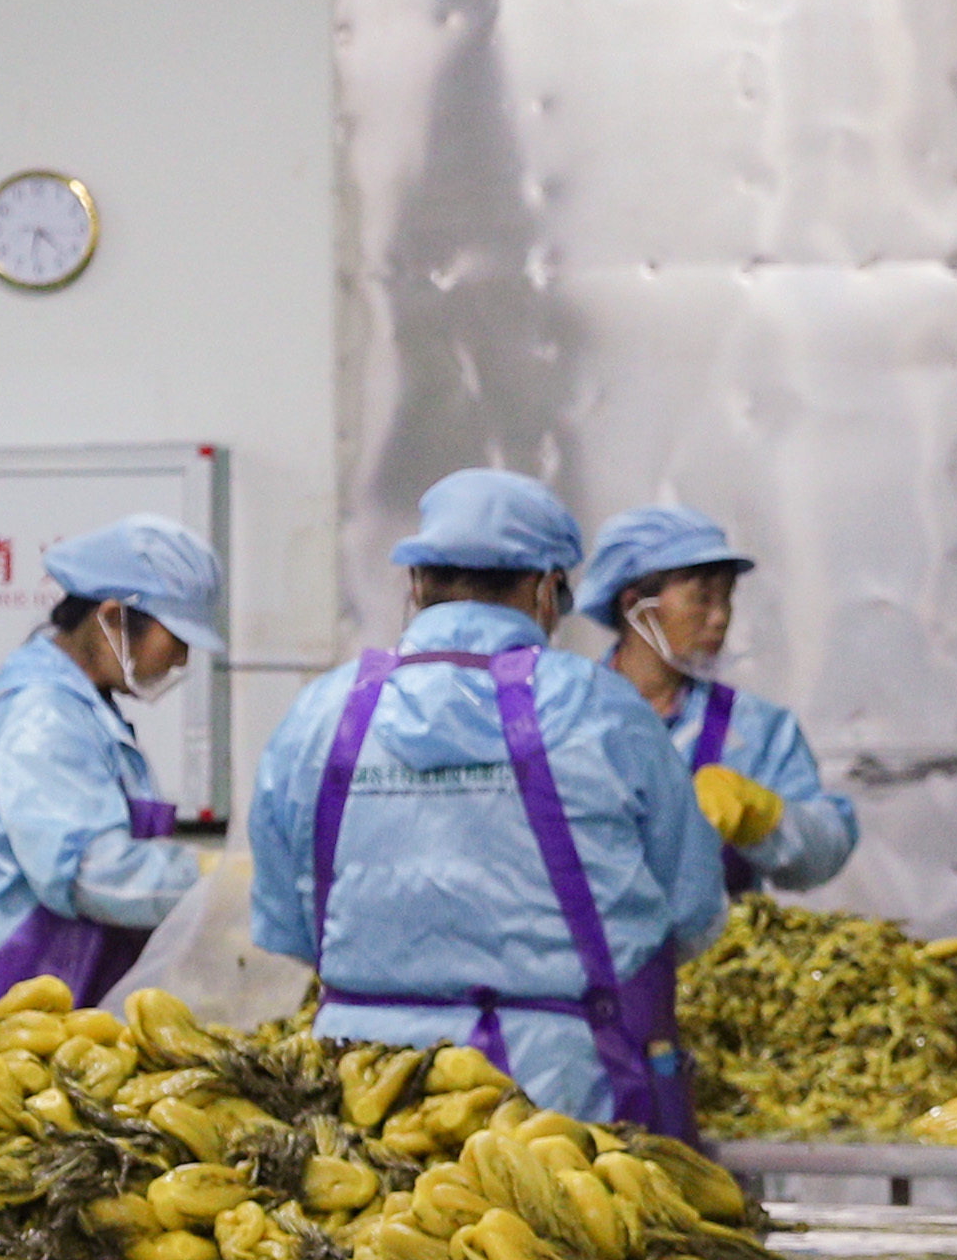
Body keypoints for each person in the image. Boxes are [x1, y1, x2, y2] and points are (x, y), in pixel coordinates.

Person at [247, 471, 725, 1129]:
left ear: (415, 585)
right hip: (553, 1093)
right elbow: (691, 909)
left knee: (367, 1233)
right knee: (544, 1229)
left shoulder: (316, 716)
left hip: (356, 1089)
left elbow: (283, 922)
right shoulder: (601, 709)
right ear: (543, 590)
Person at [0, 517, 229, 1039]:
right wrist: (220, 880)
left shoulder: (88, 715)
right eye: (176, 637)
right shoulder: (43, 717)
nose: (181, 658)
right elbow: (90, 873)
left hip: (66, 1017)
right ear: (114, 619)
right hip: (7, 1025)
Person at [578, 507, 857, 898]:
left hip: (722, 954)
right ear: (633, 604)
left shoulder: (755, 727)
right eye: (701, 599)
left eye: (727, 598)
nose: (720, 618)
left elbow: (826, 851)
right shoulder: (567, 712)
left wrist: (764, 817)